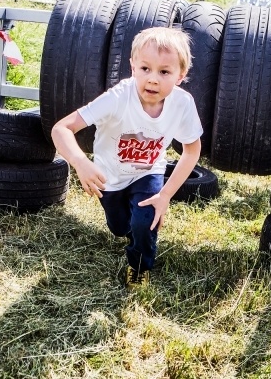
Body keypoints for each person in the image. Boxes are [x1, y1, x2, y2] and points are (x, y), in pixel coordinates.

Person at [51, 27, 203, 289]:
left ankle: (140, 266)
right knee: (120, 227)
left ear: (181, 75)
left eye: (164, 72)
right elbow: (61, 128)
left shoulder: (183, 103)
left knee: (145, 221)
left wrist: (165, 195)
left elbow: (191, 150)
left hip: (148, 173)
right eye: (145, 69)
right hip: (109, 178)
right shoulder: (118, 98)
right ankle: (131, 229)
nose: (153, 79)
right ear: (133, 67)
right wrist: (80, 162)